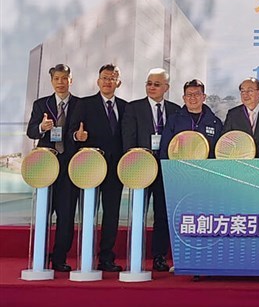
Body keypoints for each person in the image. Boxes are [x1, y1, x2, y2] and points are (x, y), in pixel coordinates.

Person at [120, 68, 180, 273]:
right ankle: (135, 254)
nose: (152, 87)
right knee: (139, 212)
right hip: (141, 167)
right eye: (149, 83)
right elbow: (128, 138)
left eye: (156, 84)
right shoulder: (133, 108)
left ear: (166, 87)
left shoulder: (175, 110)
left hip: (165, 169)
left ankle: (159, 257)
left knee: (162, 214)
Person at [25, 63, 82, 272]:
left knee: (66, 215)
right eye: (57, 79)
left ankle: (59, 258)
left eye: (64, 78)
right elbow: (31, 131)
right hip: (45, 166)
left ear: (71, 80)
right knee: (44, 213)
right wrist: (42, 127)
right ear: (51, 81)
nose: (61, 82)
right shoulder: (41, 105)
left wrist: (79, 136)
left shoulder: (80, 105)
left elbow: (82, 133)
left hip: (69, 167)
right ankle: (40, 256)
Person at [73, 64, 128, 272]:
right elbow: (73, 132)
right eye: (104, 78)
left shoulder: (125, 107)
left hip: (115, 169)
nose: (108, 82)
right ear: (98, 81)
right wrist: (77, 137)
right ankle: (85, 256)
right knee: (88, 212)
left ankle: (106, 258)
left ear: (118, 83)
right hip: (90, 167)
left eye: (112, 78)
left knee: (111, 213)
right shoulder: (84, 104)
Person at [222, 77, 259, 155]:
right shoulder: (233, 114)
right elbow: (226, 140)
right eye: (242, 91)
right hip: (241, 160)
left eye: (250, 91)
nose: (245, 94)